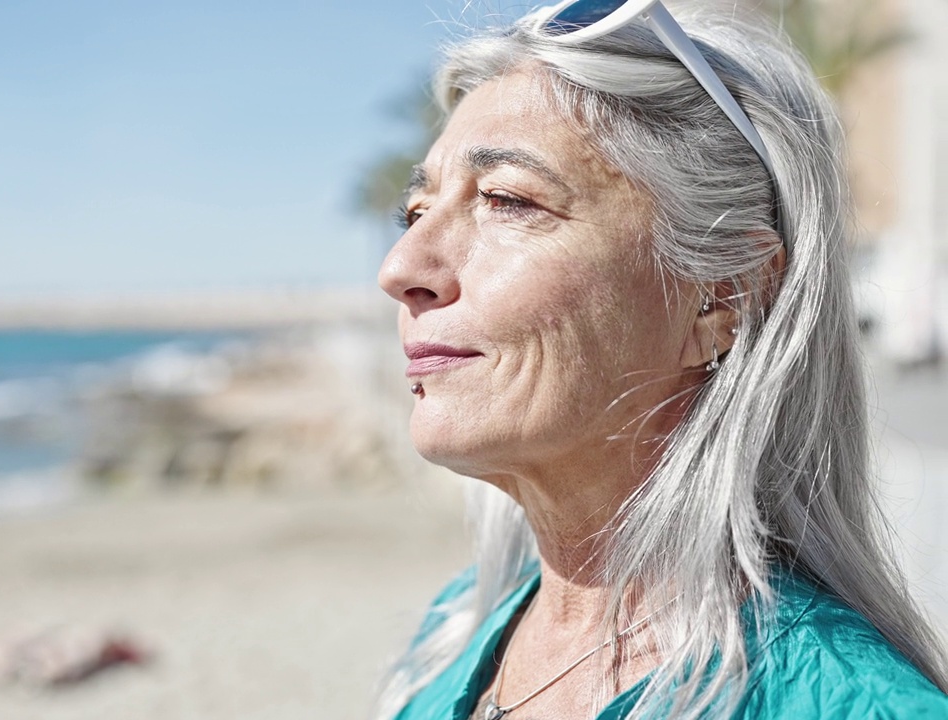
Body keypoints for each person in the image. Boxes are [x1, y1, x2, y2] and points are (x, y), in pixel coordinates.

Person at [373, 1, 948, 718]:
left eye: (507, 200)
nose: (401, 265)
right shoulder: (453, 638)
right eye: (417, 212)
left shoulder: (849, 704)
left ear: (723, 297)